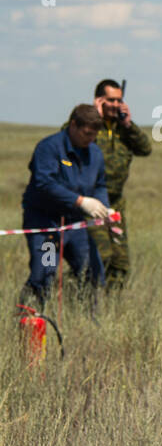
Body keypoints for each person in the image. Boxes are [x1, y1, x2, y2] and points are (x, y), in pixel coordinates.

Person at [19, 104, 112, 304]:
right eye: (87, 133)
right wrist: (80, 201)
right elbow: (44, 183)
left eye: (94, 135)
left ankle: (90, 322)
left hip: (75, 224)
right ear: (73, 125)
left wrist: (104, 209)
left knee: (91, 271)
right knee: (44, 273)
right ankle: (31, 320)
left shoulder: (95, 154)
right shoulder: (49, 148)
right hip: (46, 224)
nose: (90, 139)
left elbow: (100, 185)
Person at [89, 78, 152, 287]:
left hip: (116, 203)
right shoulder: (86, 126)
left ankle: (111, 306)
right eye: (111, 100)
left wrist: (128, 124)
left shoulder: (123, 129)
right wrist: (93, 118)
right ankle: (85, 296)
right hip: (92, 203)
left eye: (119, 100)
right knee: (101, 255)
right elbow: (67, 138)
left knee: (120, 261)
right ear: (99, 101)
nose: (116, 105)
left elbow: (145, 149)